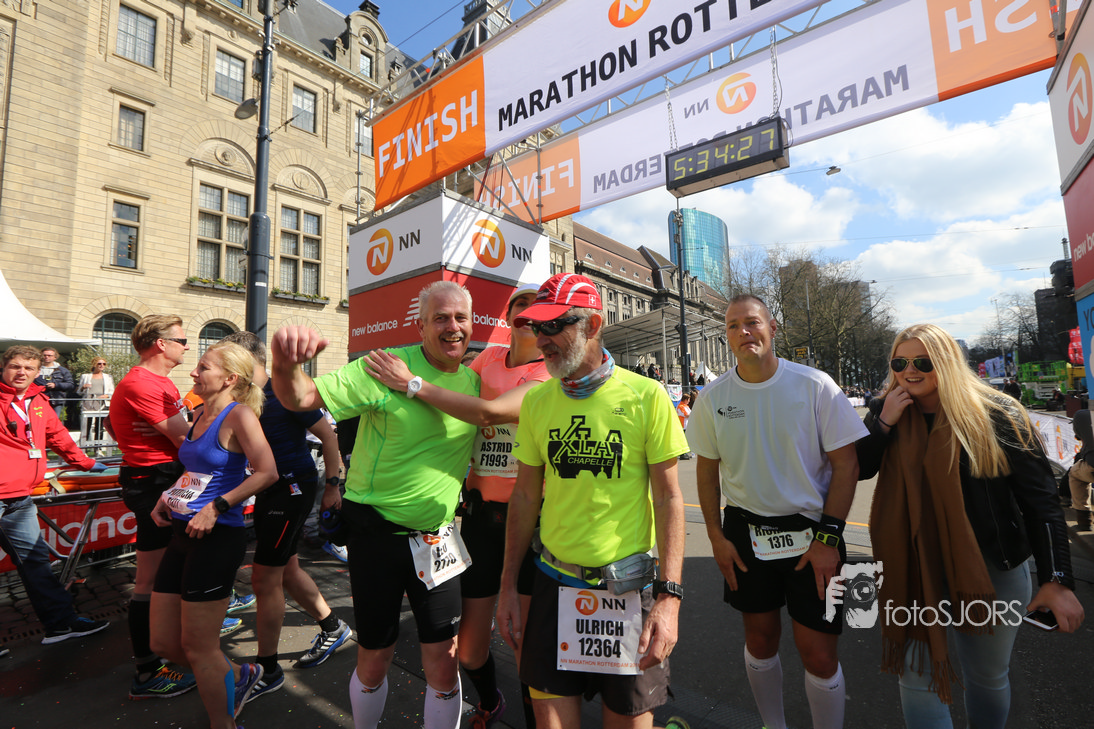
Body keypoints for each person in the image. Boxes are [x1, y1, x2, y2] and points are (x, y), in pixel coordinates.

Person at [270, 280, 480, 729]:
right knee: (374, 659)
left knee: (445, 664)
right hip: (377, 537)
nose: (452, 327)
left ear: (472, 323)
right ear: (420, 326)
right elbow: (301, 398)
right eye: (440, 318)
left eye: (460, 317)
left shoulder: (475, 382)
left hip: (438, 540)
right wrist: (286, 365)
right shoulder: (386, 366)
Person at [857, 323, 1084, 728]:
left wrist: (1058, 579)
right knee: (916, 677)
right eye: (900, 363)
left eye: (922, 361)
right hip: (914, 568)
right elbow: (860, 467)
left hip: (992, 567)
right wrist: (885, 422)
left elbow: (1041, 502)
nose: (910, 371)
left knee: (987, 677)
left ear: (946, 361)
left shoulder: (998, 414)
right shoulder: (885, 409)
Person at [495, 273, 690, 729]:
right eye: (536, 328)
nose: (541, 339)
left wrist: (670, 599)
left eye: (554, 326)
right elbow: (524, 497)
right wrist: (508, 587)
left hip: (626, 592)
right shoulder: (538, 402)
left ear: (593, 325)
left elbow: (669, 499)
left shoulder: (645, 396)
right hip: (553, 584)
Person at [363, 282, 549, 728]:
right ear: (508, 317)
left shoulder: (549, 371)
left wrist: (412, 384)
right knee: (468, 650)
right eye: (519, 304)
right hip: (481, 521)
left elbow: (489, 413)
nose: (528, 311)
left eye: (538, 305)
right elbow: (454, 391)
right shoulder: (487, 359)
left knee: (523, 644)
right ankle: (491, 701)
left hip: (530, 522)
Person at [686, 294, 867, 729]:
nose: (743, 332)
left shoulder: (815, 385)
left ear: (772, 327)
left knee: (819, 654)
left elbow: (847, 465)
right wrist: (715, 537)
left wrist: (828, 539)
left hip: (814, 532)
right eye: (733, 326)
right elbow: (706, 473)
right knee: (760, 640)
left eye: (752, 322)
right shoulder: (712, 397)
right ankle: (774, 724)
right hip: (745, 532)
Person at [148, 341, 278, 729]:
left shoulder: (239, 416)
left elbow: (267, 472)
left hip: (218, 537)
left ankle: (224, 722)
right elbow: (197, 471)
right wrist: (167, 495)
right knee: (164, 643)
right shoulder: (199, 413)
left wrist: (217, 506)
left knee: (198, 647)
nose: (193, 372)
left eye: (203, 367)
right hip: (181, 531)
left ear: (229, 378)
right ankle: (239, 675)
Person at [217, 331, 352, 702]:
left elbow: (329, 437)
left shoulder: (283, 391)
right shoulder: (242, 396)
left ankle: (268, 670)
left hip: (293, 489)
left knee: (264, 578)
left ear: (249, 360)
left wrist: (333, 487)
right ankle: (333, 627)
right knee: (287, 570)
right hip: (268, 489)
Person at [109, 314, 199, 700]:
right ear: (161, 343)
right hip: (153, 482)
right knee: (150, 579)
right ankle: (147, 671)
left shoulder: (159, 381)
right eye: (182, 340)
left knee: (170, 572)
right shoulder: (142, 382)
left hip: (161, 477)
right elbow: (186, 440)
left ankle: (166, 649)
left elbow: (115, 426)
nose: (187, 346)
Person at [0, 345, 110, 652]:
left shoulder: (38, 400)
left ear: (38, 372)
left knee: (35, 563)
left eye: (28, 368)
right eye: (15, 366)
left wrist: (86, 463)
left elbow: (58, 435)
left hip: (19, 498)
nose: (21, 372)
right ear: (4, 368)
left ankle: (60, 624)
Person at [1069, 409, 1094, 531]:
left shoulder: (1083, 415)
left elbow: (1079, 436)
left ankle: (1085, 519)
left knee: (1074, 474)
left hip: (1092, 465)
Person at [34, 346, 76, 419]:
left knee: (54, 421)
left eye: (49, 355)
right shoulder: (35, 369)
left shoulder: (63, 371)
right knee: (40, 420)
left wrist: (56, 385)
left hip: (56, 401)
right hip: (39, 400)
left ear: (55, 357)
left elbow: (70, 385)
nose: (46, 357)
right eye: (44, 355)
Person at [676, 391, 694, 460]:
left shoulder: (685, 406)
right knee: (683, 440)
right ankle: (682, 453)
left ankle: (685, 453)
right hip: (683, 425)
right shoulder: (681, 406)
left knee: (686, 440)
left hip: (687, 425)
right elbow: (686, 415)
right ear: (685, 399)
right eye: (688, 400)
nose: (689, 401)